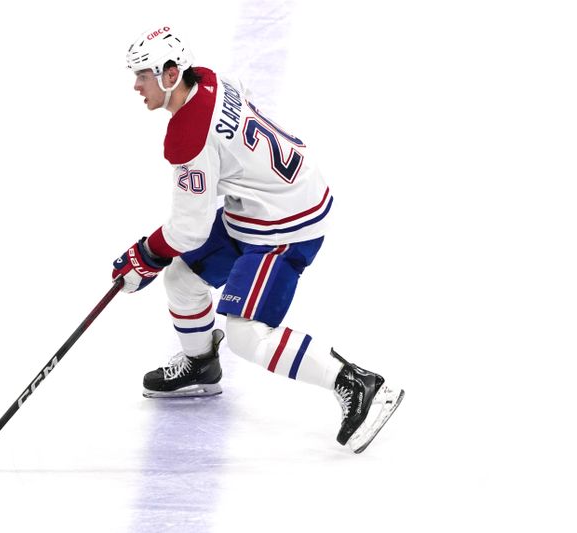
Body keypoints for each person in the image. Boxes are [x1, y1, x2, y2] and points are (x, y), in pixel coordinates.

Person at [111, 25, 404, 453]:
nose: (136, 85)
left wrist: (145, 254)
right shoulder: (210, 80)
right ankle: (201, 364)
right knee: (182, 278)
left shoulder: (187, 136)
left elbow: (189, 229)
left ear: (171, 74)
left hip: (284, 223)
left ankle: (359, 383)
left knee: (248, 334)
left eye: (143, 74)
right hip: (264, 203)